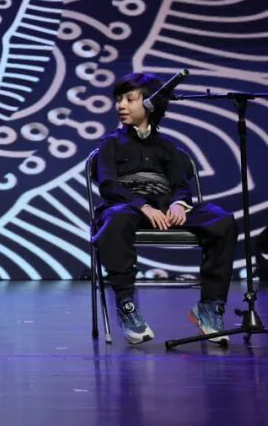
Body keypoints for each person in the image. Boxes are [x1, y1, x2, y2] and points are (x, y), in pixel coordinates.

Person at [92, 72, 237, 345]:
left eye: (129, 99)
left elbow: (180, 185)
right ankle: (127, 306)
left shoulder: (168, 146)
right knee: (116, 219)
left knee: (222, 220)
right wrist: (143, 206)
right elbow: (109, 185)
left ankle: (209, 306)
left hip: (165, 207)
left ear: (151, 103)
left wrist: (179, 204)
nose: (121, 105)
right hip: (127, 207)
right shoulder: (110, 143)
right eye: (119, 99)